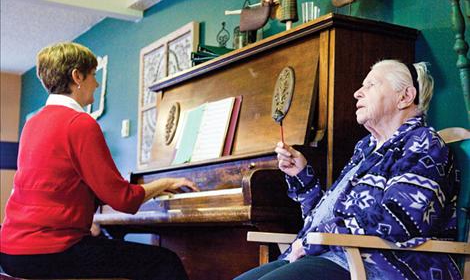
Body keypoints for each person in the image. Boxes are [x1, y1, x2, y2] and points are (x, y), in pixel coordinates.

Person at [235, 60, 462, 280]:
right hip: (332, 256)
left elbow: (400, 217)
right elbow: (328, 217)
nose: (357, 93)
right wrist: (302, 176)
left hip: (379, 264)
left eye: (371, 85)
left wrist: (313, 240)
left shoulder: (423, 143)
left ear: (405, 97)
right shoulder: (365, 149)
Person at [0, 42, 198, 280]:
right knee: (164, 262)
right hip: (50, 252)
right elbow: (122, 199)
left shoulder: (32, 124)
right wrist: (163, 183)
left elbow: (62, 187)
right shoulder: (80, 123)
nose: (96, 82)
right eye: (93, 75)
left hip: (11, 252)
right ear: (77, 76)